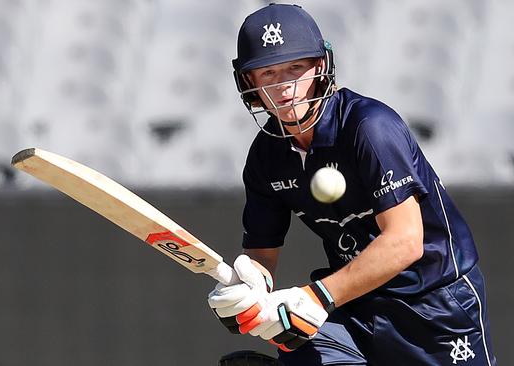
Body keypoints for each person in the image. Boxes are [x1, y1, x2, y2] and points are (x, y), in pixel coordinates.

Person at [208, 3, 497, 365]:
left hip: (433, 305)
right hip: (354, 305)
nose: (284, 88)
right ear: (249, 82)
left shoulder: (369, 127)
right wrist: (250, 291)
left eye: (295, 69)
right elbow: (261, 257)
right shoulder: (266, 157)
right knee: (298, 354)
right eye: (268, 73)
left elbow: (405, 242)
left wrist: (315, 298)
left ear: (320, 67)